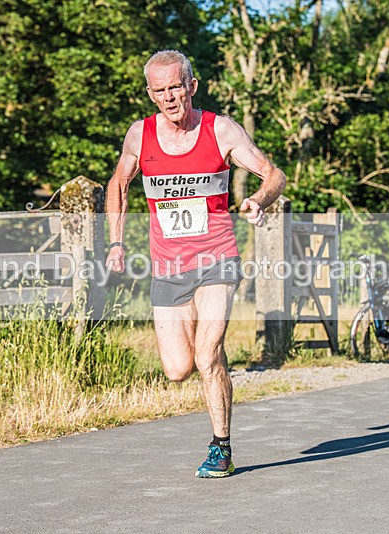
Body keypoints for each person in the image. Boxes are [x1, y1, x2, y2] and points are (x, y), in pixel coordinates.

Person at [106, 50, 286, 478]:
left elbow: (273, 173)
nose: (170, 97)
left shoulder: (219, 129)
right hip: (167, 267)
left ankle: (220, 447)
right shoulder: (139, 135)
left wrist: (259, 200)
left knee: (207, 354)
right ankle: (213, 372)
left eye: (176, 86)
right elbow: (118, 182)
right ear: (150, 94)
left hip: (216, 259)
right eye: (160, 89)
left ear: (192, 85)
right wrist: (115, 241)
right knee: (177, 369)